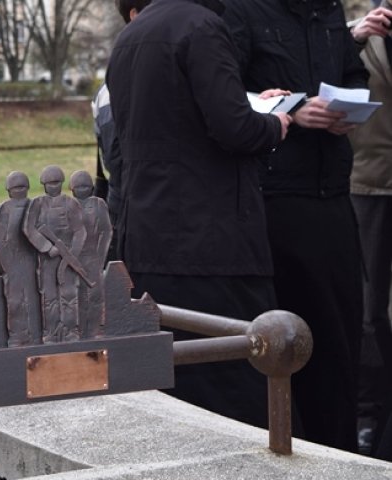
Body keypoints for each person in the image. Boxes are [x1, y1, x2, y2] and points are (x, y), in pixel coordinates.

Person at [106, 0, 291, 428]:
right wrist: (275, 125)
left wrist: (243, 106)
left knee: (177, 384)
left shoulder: (129, 37)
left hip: (147, 238)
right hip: (210, 243)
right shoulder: (203, 26)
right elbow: (234, 128)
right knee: (240, 379)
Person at [223, 0, 370, 452]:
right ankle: (291, 447)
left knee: (341, 337)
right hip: (277, 198)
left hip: (333, 193)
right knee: (284, 337)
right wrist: (296, 110)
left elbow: (354, 72)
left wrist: (350, 106)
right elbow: (231, 93)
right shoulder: (242, 12)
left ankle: (340, 451)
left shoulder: (329, 12)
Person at [348, 1, 392, 459]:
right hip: (370, 185)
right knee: (368, 309)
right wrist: (354, 37)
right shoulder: (355, 36)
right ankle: (369, 413)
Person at [92, 0, 152, 261]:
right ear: (135, 15)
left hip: (121, 214)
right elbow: (120, 163)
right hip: (139, 216)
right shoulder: (126, 83)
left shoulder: (106, 88)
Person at [22, 166, 87, 343]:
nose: (53, 186)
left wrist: (72, 253)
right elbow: (29, 228)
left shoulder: (71, 204)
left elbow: (80, 231)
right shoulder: (37, 204)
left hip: (69, 259)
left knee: (69, 295)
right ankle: (50, 332)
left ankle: (71, 331)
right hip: (47, 260)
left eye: (57, 182)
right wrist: (47, 247)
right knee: (49, 296)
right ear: (43, 184)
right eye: (50, 183)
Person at [0, 171, 41, 346]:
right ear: (8, 189)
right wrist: (8, 264)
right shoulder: (3, 209)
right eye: (15, 187)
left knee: (35, 297)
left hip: (33, 260)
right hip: (12, 262)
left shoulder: (34, 205)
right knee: (15, 300)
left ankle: (36, 334)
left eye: (22, 187)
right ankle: (18, 336)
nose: (19, 190)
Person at [69, 170, 112, 338]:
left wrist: (100, 255)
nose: (82, 190)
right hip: (73, 258)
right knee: (75, 294)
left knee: (94, 294)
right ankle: (77, 328)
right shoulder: (67, 206)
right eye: (78, 187)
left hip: (93, 257)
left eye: (85, 186)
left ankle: (95, 328)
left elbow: (106, 231)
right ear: (71, 188)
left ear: (92, 187)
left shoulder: (98, 204)